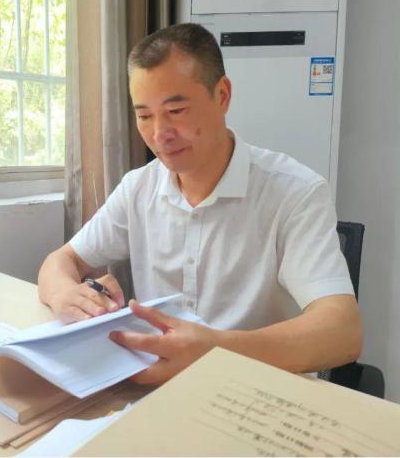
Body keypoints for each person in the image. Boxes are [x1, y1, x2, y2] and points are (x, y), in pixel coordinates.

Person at [38, 23, 362, 385]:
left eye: (176, 110)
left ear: (222, 96)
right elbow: (60, 261)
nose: (159, 134)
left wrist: (216, 351)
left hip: (257, 388)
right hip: (160, 387)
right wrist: (67, 294)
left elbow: (342, 332)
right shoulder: (138, 188)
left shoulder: (294, 192)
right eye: (144, 116)